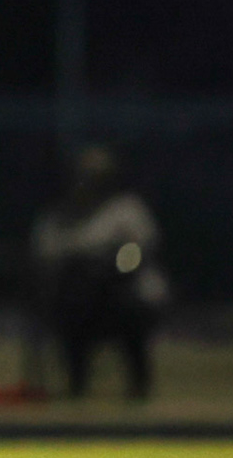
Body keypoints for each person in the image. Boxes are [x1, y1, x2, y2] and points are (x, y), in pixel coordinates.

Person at [31, 145, 167, 400]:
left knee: (132, 314)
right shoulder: (58, 217)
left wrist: (110, 269)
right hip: (77, 300)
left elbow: (138, 252)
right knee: (71, 310)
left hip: (123, 295)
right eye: (84, 175)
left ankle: (139, 386)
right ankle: (76, 386)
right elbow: (44, 261)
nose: (89, 182)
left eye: (97, 175)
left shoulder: (127, 210)